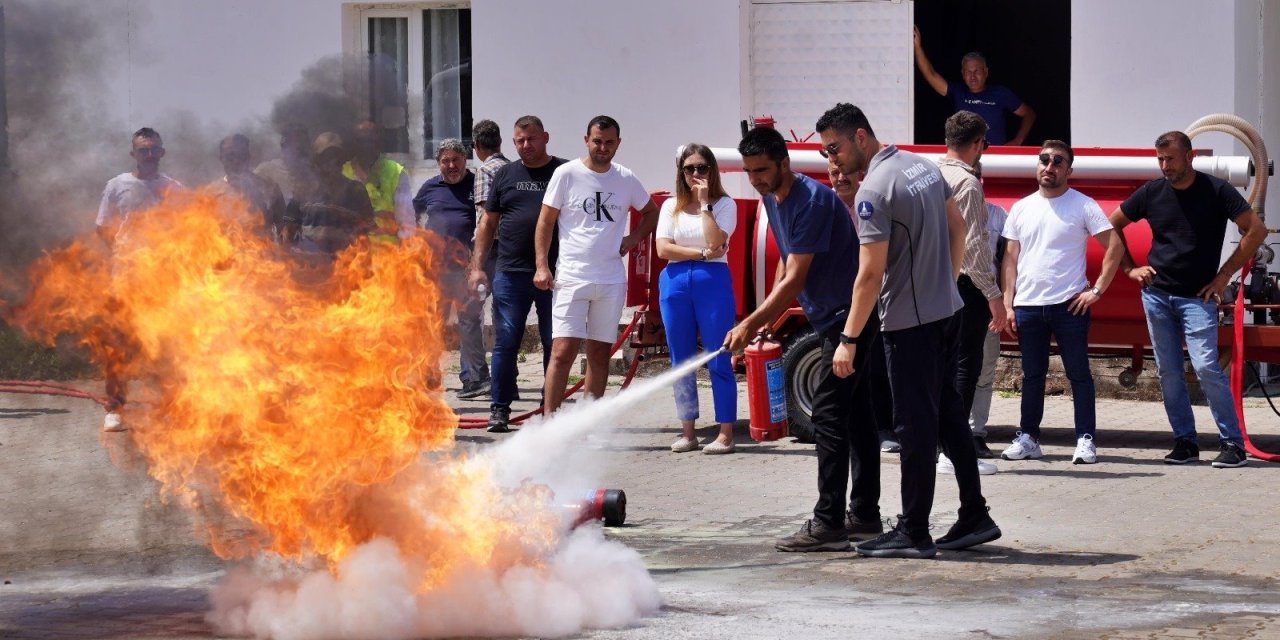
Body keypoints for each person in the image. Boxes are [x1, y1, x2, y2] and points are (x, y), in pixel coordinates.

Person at [818, 102, 995, 559]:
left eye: (834, 149)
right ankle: (975, 514)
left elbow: (869, 274)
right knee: (948, 415)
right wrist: (947, 283)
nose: (831, 159)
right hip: (946, 312)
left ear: (860, 137)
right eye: (825, 153)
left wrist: (849, 339)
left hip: (910, 323)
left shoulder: (874, 190)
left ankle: (914, 530)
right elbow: (958, 227)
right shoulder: (922, 166)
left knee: (914, 428)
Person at [723, 126, 882, 552]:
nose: (754, 179)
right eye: (749, 171)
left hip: (849, 319)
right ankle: (866, 516)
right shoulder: (772, 197)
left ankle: (829, 522)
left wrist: (750, 322)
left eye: (761, 170)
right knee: (858, 416)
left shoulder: (811, 200)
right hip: (831, 317)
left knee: (828, 416)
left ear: (784, 163)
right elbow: (786, 260)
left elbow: (796, 278)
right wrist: (768, 317)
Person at [1110, 131, 1266, 468]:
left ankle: (1233, 444)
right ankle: (1185, 442)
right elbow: (1111, 226)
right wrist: (1130, 269)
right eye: (1160, 160)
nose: (1165, 166)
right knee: (1168, 372)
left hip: (1198, 298)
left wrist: (1223, 276)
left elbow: (1256, 230)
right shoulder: (1151, 192)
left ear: (1190, 156)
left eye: (1171, 159)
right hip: (1157, 296)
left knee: (1207, 367)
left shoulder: (1217, 190)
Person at [1001, 140, 1124, 465]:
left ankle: (1085, 440)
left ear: (1068, 170)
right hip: (1028, 306)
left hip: (1070, 306)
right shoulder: (1021, 207)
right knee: (1032, 376)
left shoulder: (1083, 205)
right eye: (1044, 160)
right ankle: (1029, 438)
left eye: (1058, 162)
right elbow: (1010, 259)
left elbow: (1115, 246)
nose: (1049, 166)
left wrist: (1097, 290)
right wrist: (1009, 304)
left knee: (1078, 374)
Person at [534, 115, 659, 414]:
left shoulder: (626, 178)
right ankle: (550, 423)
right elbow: (545, 222)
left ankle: (588, 424)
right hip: (571, 276)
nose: (603, 148)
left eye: (609, 142)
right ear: (586, 140)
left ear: (618, 143)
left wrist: (633, 238)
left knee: (600, 354)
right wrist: (541, 265)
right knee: (562, 352)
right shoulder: (566, 174)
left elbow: (652, 212)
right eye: (597, 141)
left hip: (610, 280)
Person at [468, 116, 565, 432]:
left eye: (531, 138)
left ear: (545, 137)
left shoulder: (563, 172)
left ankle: (549, 408)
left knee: (554, 343)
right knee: (506, 342)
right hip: (510, 272)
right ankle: (499, 409)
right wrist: (477, 267)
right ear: (513, 143)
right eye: (520, 141)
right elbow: (487, 224)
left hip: (557, 274)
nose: (526, 145)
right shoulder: (505, 174)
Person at [95, 127, 185, 432]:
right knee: (118, 344)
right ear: (133, 153)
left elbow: (188, 229)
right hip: (125, 278)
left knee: (165, 345)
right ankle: (115, 408)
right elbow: (102, 228)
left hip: (161, 280)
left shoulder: (174, 189)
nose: (149, 155)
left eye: (153, 149)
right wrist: (123, 255)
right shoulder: (117, 185)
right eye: (143, 150)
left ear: (162, 153)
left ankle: (170, 407)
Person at [934, 111, 1004, 475]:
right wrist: (993, 295)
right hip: (963, 286)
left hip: (931, 284)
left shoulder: (928, 174)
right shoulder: (967, 182)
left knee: (941, 368)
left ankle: (941, 447)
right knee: (965, 368)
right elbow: (974, 246)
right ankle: (955, 453)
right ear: (977, 144)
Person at [658, 144, 737, 455]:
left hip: (712, 283)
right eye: (689, 168)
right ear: (681, 172)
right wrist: (702, 253)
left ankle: (725, 433)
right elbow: (663, 249)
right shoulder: (670, 206)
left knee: (719, 355)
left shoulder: (725, 204)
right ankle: (688, 431)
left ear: (712, 170)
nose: (695, 173)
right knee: (681, 359)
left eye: (701, 167)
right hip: (675, 283)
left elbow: (718, 240)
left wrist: (705, 205)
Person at [828, 163, 898, 455]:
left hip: (875, 295)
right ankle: (842, 428)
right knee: (843, 369)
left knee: (877, 363)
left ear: (859, 175)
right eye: (834, 173)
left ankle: (883, 428)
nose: (840, 178)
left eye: (845, 172)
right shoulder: (826, 207)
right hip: (837, 302)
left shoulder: (871, 203)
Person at [415, 138, 489, 400]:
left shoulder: (476, 185)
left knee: (469, 322)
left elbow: (487, 221)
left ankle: (475, 379)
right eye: (445, 161)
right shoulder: (430, 187)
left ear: (464, 160)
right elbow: (411, 214)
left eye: (456, 160)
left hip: (467, 269)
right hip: (434, 268)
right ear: (438, 164)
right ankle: (428, 376)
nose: (451, 165)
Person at [913, 26, 1036, 146]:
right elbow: (931, 74)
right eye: (968, 72)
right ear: (962, 74)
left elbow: (1029, 114)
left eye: (977, 71)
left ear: (986, 72)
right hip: (965, 156)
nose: (972, 76)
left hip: (995, 156)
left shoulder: (1000, 93)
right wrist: (917, 47)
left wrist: (1017, 141)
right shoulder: (958, 92)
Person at [281, 132, 376, 256]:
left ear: (342, 161)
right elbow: (288, 232)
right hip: (307, 263)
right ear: (317, 161)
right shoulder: (304, 190)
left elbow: (366, 234)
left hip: (344, 263)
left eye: (337, 157)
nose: (332, 163)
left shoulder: (356, 191)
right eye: (326, 158)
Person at [968, 200, 1009, 449]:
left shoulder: (998, 215)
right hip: (950, 302)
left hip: (987, 301)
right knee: (947, 370)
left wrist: (1004, 301)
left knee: (984, 370)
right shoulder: (939, 207)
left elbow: (1007, 261)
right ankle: (945, 433)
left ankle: (975, 433)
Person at [343, 121, 415, 243]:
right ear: (354, 144)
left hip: (388, 251)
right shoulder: (343, 172)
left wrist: (407, 249)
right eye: (362, 141)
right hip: (353, 251)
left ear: (379, 144)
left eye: (371, 141)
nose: (367, 146)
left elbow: (407, 223)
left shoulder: (395, 171)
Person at [208, 134, 286, 240]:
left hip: (261, 248)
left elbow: (284, 230)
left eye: (241, 156)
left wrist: (255, 199)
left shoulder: (269, 189)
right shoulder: (210, 193)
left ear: (248, 157)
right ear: (222, 159)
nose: (236, 161)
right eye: (230, 157)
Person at [471, 118, 509, 291]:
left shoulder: (485, 170)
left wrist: (476, 262)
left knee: (475, 296)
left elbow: (484, 216)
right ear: (500, 141)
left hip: (493, 247)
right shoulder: (512, 167)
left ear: (477, 145)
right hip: (512, 246)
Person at [255, 123, 316, 206]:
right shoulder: (268, 169)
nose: (298, 150)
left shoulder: (313, 174)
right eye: (293, 145)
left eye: (302, 144)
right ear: (284, 147)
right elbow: (247, 187)